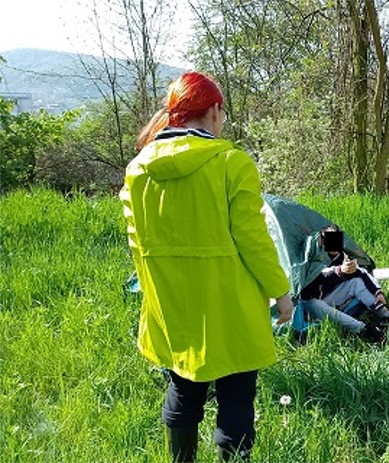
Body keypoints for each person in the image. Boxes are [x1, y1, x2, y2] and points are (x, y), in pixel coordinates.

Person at [120, 71, 293, 462]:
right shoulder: (231, 163)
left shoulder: (137, 170)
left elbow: (137, 246)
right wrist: (281, 291)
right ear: (214, 111)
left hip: (172, 306)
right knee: (236, 395)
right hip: (229, 306)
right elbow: (254, 240)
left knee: (183, 388)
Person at [298, 225, 389, 343]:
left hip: (329, 296)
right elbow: (316, 277)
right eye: (329, 239)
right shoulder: (314, 255)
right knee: (316, 304)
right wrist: (339, 270)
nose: (333, 243)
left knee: (356, 282)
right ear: (322, 240)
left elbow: (362, 273)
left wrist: (377, 291)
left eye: (336, 239)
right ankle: (364, 329)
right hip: (309, 302)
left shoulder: (342, 256)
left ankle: (387, 316)